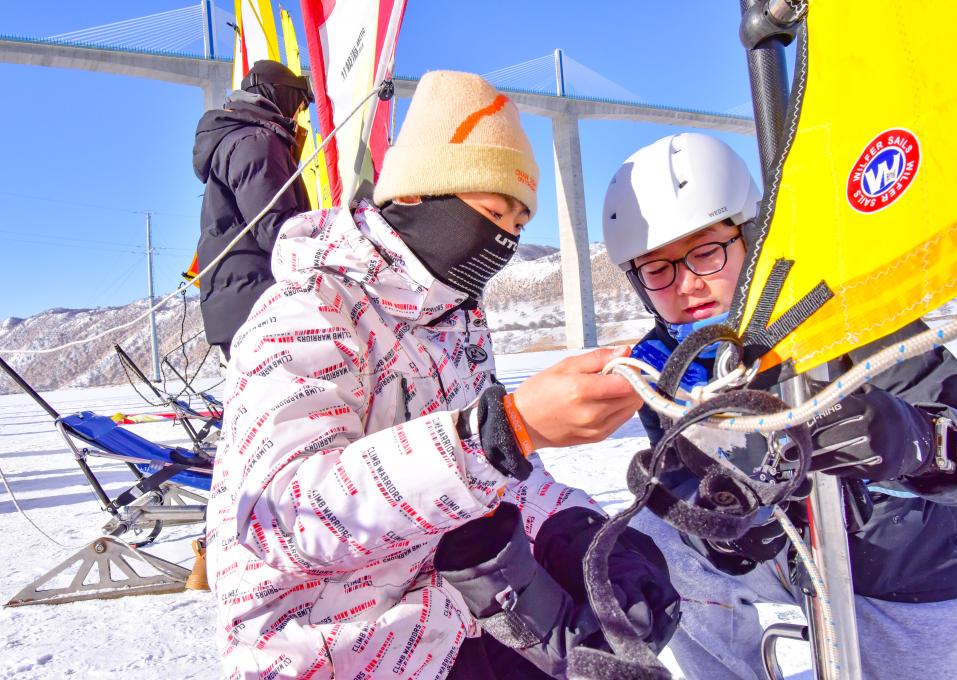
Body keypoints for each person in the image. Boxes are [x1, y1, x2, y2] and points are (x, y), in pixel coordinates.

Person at [205, 71, 680, 680]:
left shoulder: (454, 320)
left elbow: (497, 477)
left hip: (442, 625)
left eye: (519, 223)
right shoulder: (306, 310)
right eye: (493, 211)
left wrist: (581, 533)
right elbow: (280, 518)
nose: (504, 238)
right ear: (416, 197)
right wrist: (504, 431)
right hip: (326, 651)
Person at [601, 132, 957, 679]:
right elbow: (677, 476)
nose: (687, 285)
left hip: (899, 563)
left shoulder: (848, 321)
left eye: (705, 252)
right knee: (650, 540)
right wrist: (719, 527)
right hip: (778, 553)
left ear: (750, 236)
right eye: (658, 269)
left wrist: (917, 439)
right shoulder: (664, 368)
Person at [192, 59, 314, 360]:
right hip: (260, 302)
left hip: (241, 299)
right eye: (298, 106)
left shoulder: (239, 138)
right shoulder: (256, 141)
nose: (298, 115)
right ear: (281, 96)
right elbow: (277, 229)